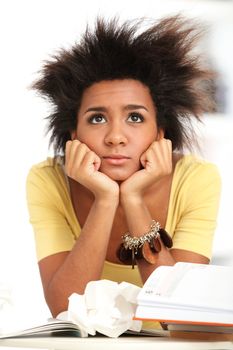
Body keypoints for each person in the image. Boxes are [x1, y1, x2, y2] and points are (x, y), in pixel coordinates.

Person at [26, 15, 221, 318]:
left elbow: (182, 311)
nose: (116, 137)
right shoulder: (48, 180)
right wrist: (105, 200)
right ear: (74, 133)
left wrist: (132, 199)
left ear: (160, 132)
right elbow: (65, 309)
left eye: (135, 118)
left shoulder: (197, 179)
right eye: (97, 118)